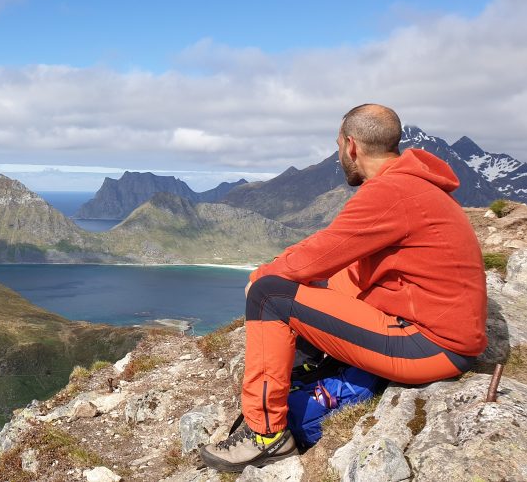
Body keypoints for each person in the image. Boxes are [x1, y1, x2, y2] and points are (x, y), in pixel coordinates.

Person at [199, 104, 487, 472]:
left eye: (338, 146)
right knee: (322, 281)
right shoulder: (415, 185)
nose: (339, 157)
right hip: (438, 330)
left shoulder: (391, 192)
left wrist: (260, 278)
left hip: (431, 345)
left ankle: (266, 436)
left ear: (351, 146)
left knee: (268, 295)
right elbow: (339, 263)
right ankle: (302, 369)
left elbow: (319, 253)